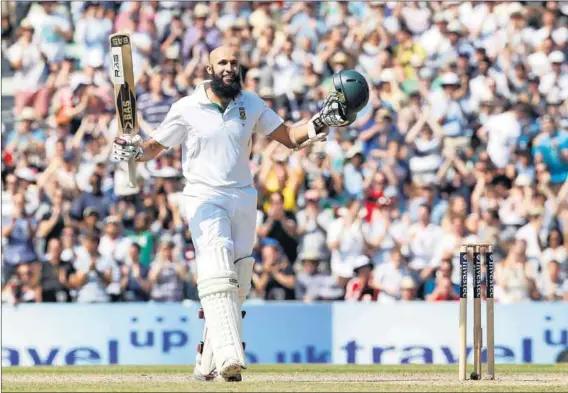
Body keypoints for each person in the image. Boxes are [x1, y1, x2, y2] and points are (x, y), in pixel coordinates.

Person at [111, 46, 358, 381]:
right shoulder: (186, 107)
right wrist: (134, 150)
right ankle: (230, 355)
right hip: (202, 195)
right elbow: (155, 146)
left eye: (234, 62)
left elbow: (288, 137)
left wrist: (320, 121)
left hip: (243, 196)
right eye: (222, 62)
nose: (229, 67)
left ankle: (205, 362)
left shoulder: (251, 103)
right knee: (216, 263)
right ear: (209, 67)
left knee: (238, 280)